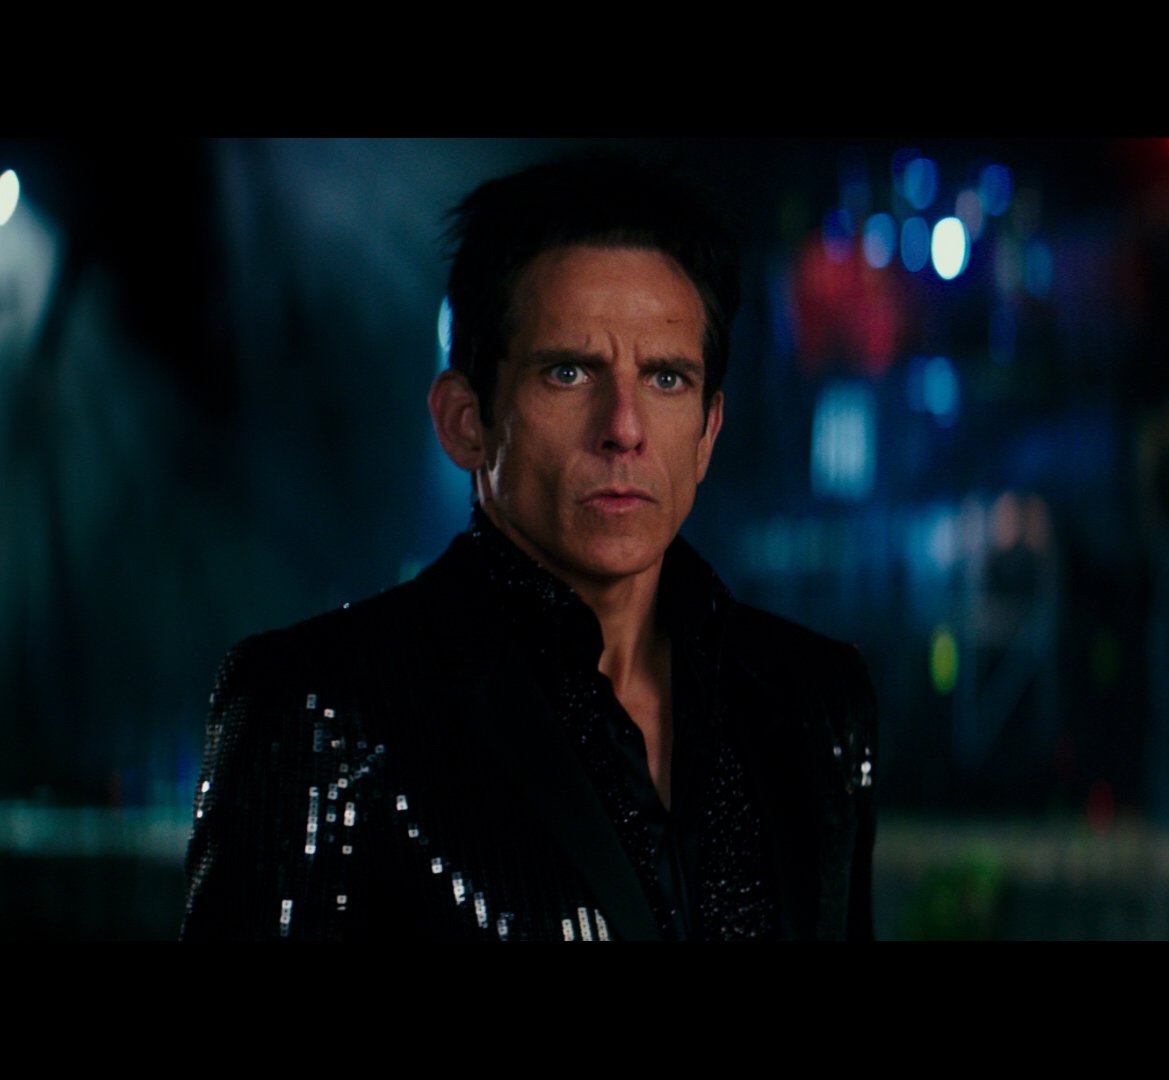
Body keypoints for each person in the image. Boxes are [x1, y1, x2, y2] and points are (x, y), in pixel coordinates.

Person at [182, 156, 877, 941]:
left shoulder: (818, 701)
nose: (624, 427)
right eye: (569, 372)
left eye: (666, 379)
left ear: (708, 432)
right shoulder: (319, 707)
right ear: (465, 421)